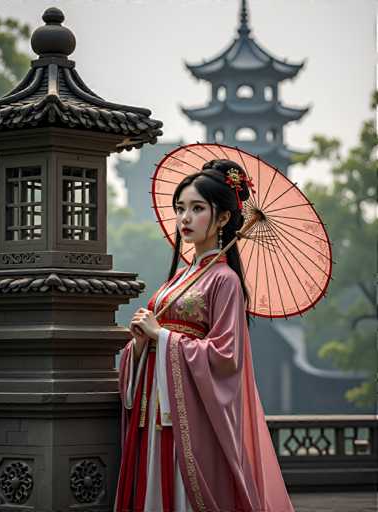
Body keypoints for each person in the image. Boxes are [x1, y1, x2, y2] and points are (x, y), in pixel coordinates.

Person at [114, 159, 295, 512]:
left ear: (224, 218)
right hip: (155, 403)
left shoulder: (225, 281)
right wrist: (139, 343)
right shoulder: (179, 278)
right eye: (180, 208)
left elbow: (226, 357)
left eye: (197, 208)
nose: (184, 218)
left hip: (189, 412)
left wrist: (162, 337)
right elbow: (154, 338)